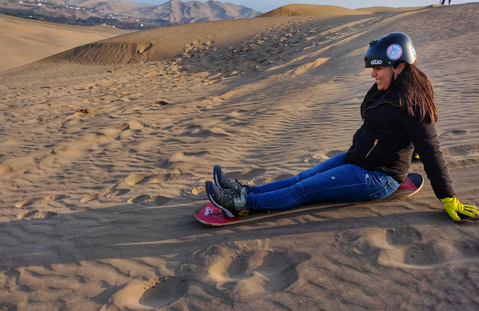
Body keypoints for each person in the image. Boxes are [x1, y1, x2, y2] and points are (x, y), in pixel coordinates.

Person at [205, 32, 478, 222]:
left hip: (377, 177)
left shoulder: (411, 101)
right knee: (300, 178)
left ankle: (240, 205)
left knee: (304, 191)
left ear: (399, 67)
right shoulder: (387, 88)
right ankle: (242, 191)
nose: (372, 73)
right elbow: (399, 134)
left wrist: (448, 198)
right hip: (355, 160)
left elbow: (430, 149)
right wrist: (411, 150)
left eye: (378, 67)